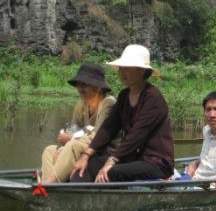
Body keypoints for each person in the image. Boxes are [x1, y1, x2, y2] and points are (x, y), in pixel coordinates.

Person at [70, 44, 174, 182]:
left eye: (127, 68)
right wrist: (86, 155)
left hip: (156, 163)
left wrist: (112, 160)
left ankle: (98, 201)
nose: (121, 72)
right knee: (85, 168)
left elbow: (136, 135)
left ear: (142, 71)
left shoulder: (153, 98)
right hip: (132, 159)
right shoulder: (124, 95)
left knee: (111, 173)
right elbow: (108, 128)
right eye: (120, 68)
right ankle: (76, 198)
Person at [41, 62, 115, 183]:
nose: (80, 88)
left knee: (72, 145)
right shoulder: (81, 103)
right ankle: (47, 184)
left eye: (85, 84)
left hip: (103, 150)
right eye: (79, 84)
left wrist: (71, 139)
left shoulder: (108, 103)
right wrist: (62, 147)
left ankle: (48, 184)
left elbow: (98, 136)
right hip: (82, 146)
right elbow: (73, 130)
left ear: (98, 87)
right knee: (50, 150)